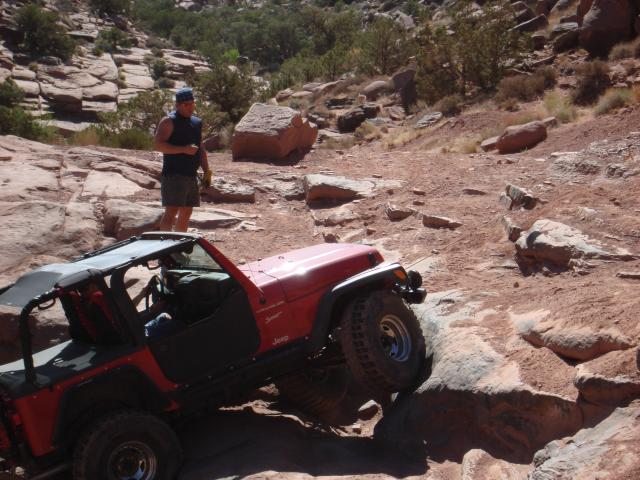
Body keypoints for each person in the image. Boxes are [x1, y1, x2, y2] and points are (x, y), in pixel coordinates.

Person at [154, 87, 212, 232]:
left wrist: (207, 171)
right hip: (173, 174)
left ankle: (180, 241)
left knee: (187, 211)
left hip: (191, 174)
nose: (190, 107)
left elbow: (201, 148)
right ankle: (165, 243)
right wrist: (183, 149)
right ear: (178, 105)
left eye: (192, 103)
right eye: (187, 104)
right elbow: (159, 145)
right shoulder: (168, 121)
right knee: (171, 211)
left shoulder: (196, 122)